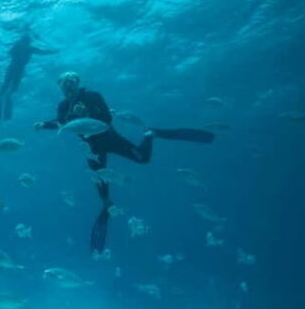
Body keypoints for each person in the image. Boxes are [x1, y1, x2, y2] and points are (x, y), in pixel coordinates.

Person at [35, 71, 215, 253]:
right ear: (60, 88)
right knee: (99, 180)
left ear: (77, 83)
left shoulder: (92, 96)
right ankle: (107, 204)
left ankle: (150, 134)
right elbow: (60, 123)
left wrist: (87, 113)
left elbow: (107, 118)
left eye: (70, 82)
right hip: (91, 148)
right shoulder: (63, 106)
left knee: (143, 159)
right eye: (63, 84)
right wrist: (44, 124)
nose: (67, 87)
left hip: (110, 139)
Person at [0, 32, 58, 124]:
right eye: (24, 42)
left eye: (27, 43)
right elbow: (9, 52)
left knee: (12, 90)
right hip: (13, 69)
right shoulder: (20, 47)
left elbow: (42, 52)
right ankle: (0, 103)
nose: (25, 44)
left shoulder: (29, 48)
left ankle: (5, 101)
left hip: (18, 70)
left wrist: (52, 51)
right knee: (5, 88)